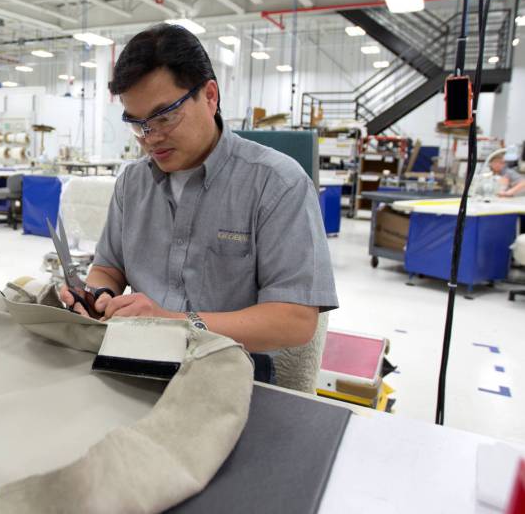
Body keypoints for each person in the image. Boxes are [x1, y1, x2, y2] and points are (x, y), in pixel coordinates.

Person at [60, 24, 339, 383]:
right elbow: (109, 268)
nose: (150, 138)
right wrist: (97, 296)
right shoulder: (133, 183)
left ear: (209, 96)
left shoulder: (276, 183)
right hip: (136, 357)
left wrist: (173, 323)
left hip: (232, 370)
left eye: (164, 117)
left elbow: (295, 321)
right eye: (137, 124)